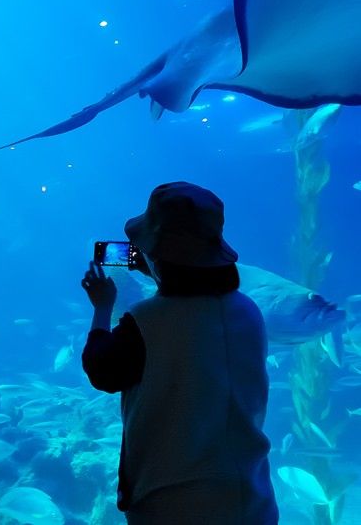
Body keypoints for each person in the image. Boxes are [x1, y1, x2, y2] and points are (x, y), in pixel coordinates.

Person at [81, 182, 279, 525]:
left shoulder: (145, 321)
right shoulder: (247, 311)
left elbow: (102, 370)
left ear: (154, 254)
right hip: (252, 500)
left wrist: (102, 307)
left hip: (173, 504)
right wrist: (156, 263)